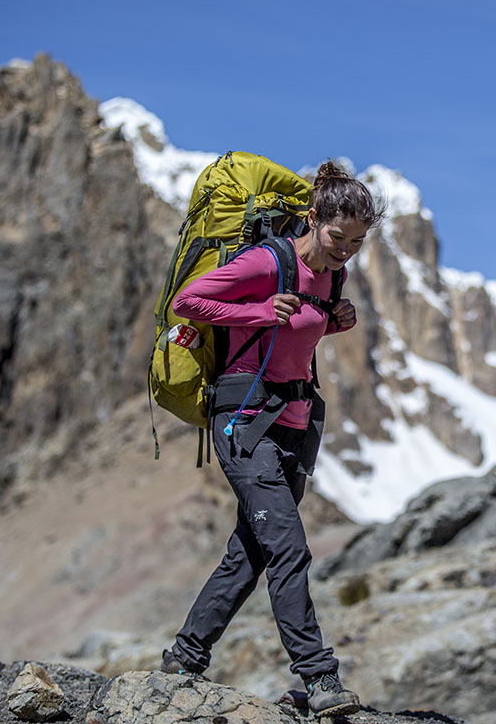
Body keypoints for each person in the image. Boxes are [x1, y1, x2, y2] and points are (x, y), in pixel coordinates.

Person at [160, 160, 385, 717]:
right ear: (313, 219)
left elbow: (301, 328)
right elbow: (187, 302)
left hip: (294, 421)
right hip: (242, 417)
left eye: (357, 242)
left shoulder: (334, 276)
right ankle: (321, 677)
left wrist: (336, 319)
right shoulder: (266, 261)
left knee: (252, 553)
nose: (346, 251)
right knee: (287, 546)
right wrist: (260, 309)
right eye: (338, 238)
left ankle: (184, 656)